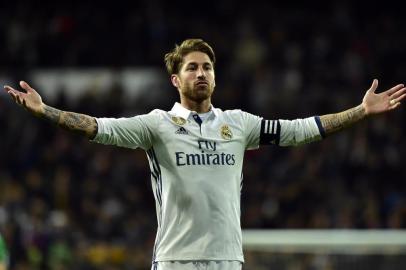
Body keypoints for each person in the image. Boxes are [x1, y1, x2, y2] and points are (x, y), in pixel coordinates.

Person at [4, 39, 406, 270]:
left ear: (215, 75)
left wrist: (359, 111)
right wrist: (46, 111)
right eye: (193, 67)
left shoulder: (239, 123)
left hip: (228, 260)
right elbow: (98, 127)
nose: (201, 73)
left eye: (208, 67)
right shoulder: (155, 124)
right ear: (175, 79)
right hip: (176, 261)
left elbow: (297, 131)